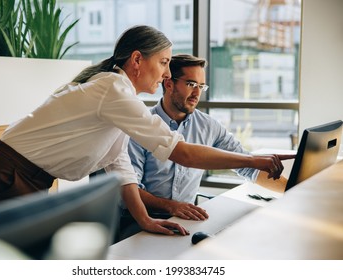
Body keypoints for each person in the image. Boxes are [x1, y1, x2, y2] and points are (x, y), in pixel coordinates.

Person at [0, 25, 293, 237]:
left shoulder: (119, 99)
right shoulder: (114, 91)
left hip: (24, 178)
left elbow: (120, 167)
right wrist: (256, 161)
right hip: (6, 177)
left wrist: (145, 221)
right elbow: (182, 152)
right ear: (138, 59)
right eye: (164, 62)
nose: (166, 73)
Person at [124, 54, 289, 230]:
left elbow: (248, 167)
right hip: (141, 219)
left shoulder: (209, 126)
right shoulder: (140, 126)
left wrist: (293, 192)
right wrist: (172, 206)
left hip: (186, 219)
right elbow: (130, 188)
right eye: (191, 84)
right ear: (169, 84)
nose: (197, 93)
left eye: (201, 86)